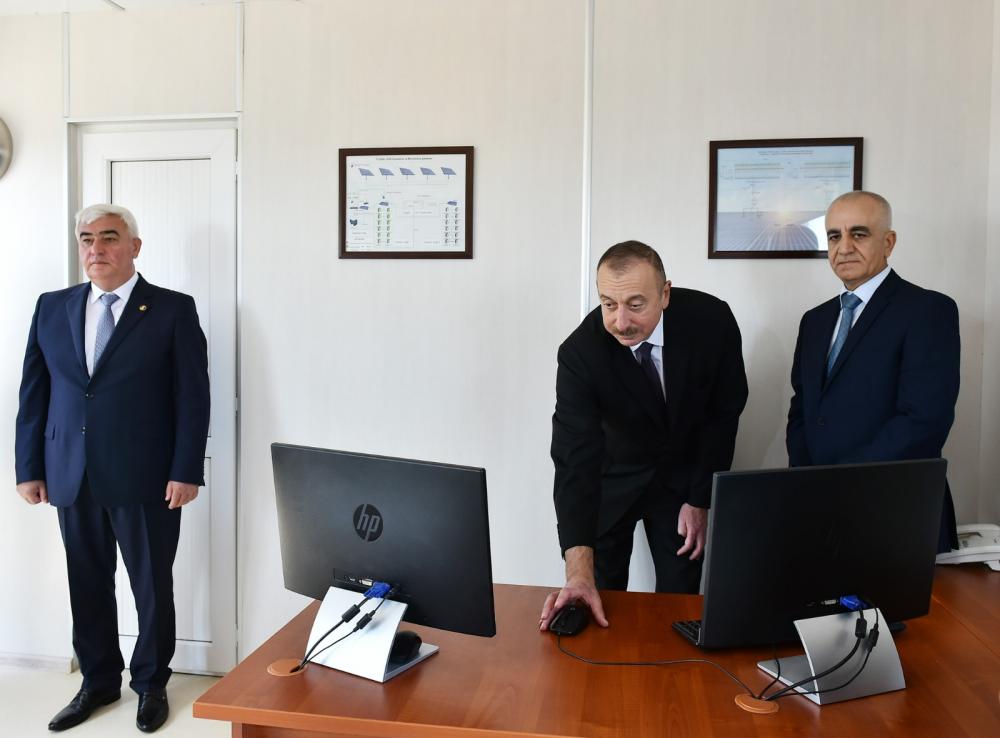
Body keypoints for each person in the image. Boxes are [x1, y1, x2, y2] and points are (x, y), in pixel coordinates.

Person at [15, 204, 210, 733]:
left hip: (146, 475)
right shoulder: (52, 307)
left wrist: (186, 469)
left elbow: (192, 397)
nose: (96, 249)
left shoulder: (172, 310)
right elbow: (34, 394)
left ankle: (151, 683)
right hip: (69, 472)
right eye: (86, 239)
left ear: (134, 246)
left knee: (151, 585)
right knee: (86, 582)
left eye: (108, 237)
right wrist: (29, 467)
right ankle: (98, 682)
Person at [540, 241, 748, 629]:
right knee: (598, 596)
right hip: (612, 479)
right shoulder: (580, 354)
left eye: (636, 304)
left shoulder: (711, 322)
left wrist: (700, 497)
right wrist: (578, 570)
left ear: (665, 294)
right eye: (608, 304)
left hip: (683, 478)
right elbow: (573, 458)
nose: (621, 322)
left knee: (679, 602)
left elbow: (723, 413)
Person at [786, 190, 960, 552]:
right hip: (819, 507)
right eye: (834, 236)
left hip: (895, 509)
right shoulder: (814, 321)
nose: (844, 247)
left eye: (859, 234)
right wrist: (806, 483)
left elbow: (924, 420)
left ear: (888, 242)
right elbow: (802, 410)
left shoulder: (927, 310)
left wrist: (842, 481)